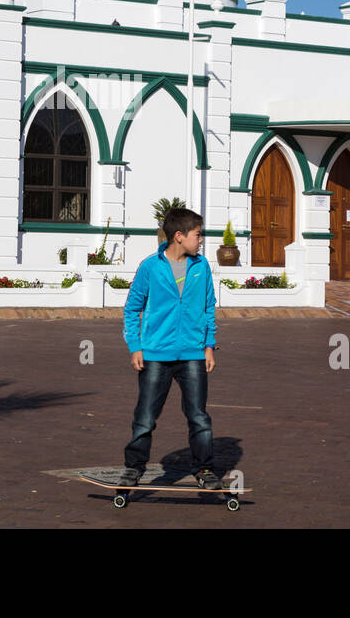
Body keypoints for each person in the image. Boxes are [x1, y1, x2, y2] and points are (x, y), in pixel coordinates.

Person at [120, 206, 219, 489]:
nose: (201, 241)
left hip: (193, 354)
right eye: (198, 235)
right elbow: (132, 309)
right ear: (179, 236)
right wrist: (135, 347)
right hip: (155, 355)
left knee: (199, 417)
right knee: (145, 418)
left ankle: (204, 470)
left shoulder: (201, 267)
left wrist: (209, 345)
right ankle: (133, 468)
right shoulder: (150, 266)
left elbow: (208, 307)